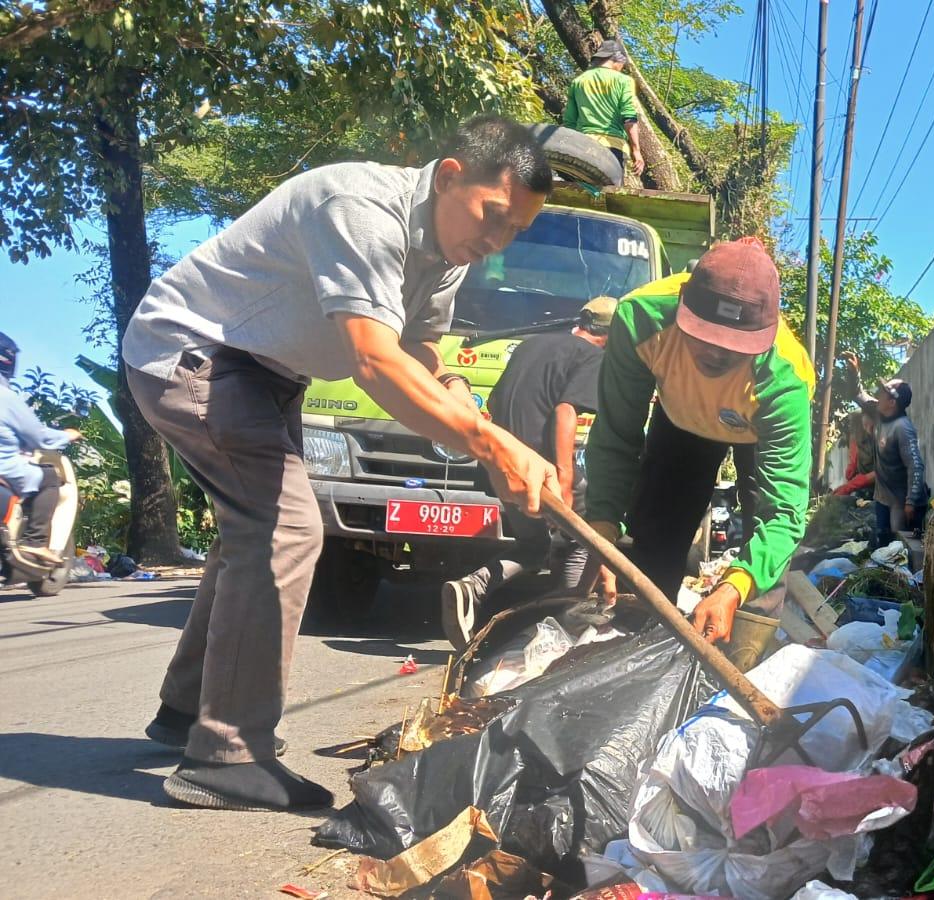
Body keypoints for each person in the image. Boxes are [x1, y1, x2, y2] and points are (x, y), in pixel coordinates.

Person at [121, 115, 563, 812]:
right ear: (450, 176)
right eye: (495, 217)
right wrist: (493, 442)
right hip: (194, 353)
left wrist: (462, 406)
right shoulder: (358, 207)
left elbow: (415, 354)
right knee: (286, 529)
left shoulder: (447, 256)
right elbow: (372, 361)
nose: (497, 242)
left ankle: (186, 709)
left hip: (267, 375)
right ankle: (226, 756)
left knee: (259, 527)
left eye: (516, 231)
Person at [585, 237, 813, 643]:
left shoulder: (785, 380)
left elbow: (782, 514)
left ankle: (742, 659)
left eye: (735, 346)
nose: (717, 354)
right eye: (704, 335)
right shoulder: (641, 318)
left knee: (757, 587)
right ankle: (635, 648)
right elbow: (617, 435)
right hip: (678, 420)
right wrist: (602, 532)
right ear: (683, 305)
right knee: (652, 544)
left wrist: (732, 588)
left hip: (753, 433)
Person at [439, 296, 615, 650]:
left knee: (533, 547)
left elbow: (494, 402)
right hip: (544, 473)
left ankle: (472, 587)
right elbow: (567, 411)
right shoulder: (593, 356)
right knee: (591, 534)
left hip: (504, 469)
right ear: (613, 336)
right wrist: (564, 476)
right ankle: (564, 626)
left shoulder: (530, 346)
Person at [0, 332, 83, 565]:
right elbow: (40, 438)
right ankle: (34, 542)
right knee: (48, 477)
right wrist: (67, 435)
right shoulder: (6, 398)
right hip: (5, 468)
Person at [843, 352, 926, 547]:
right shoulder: (878, 413)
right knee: (881, 545)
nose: (878, 396)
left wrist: (910, 502)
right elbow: (858, 394)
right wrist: (854, 374)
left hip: (900, 501)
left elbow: (916, 466)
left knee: (898, 547)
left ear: (892, 403)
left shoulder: (903, 429)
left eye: (883, 394)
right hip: (883, 497)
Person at [563, 38, 646, 179]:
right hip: (613, 148)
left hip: (583, 145)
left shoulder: (579, 82)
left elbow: (569, 122)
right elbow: (629, 117)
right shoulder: (623, 81)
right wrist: (636, 151)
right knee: (608, 193)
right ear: (618, 60)